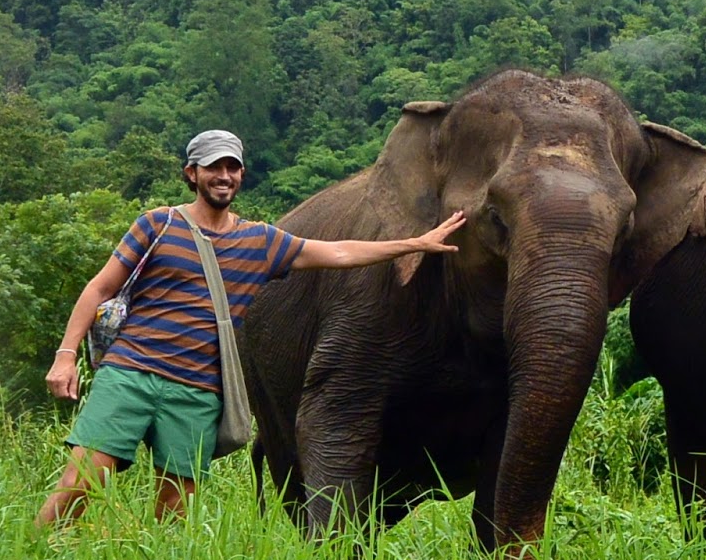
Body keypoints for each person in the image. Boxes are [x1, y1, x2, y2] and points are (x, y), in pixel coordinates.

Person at [36, 129, 466, 527]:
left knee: (175, 508)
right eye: (213, 168)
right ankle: (38, 555)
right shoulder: (158, 224)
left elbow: (337, 252)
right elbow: (100, 289)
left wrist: (415, 243)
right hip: (130, 373)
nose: (224, 176)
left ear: (241, 174)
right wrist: (65, 357)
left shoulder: (261, 242)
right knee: (82, 480)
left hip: (197, 389)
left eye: (232, 168)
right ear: (192, 174)